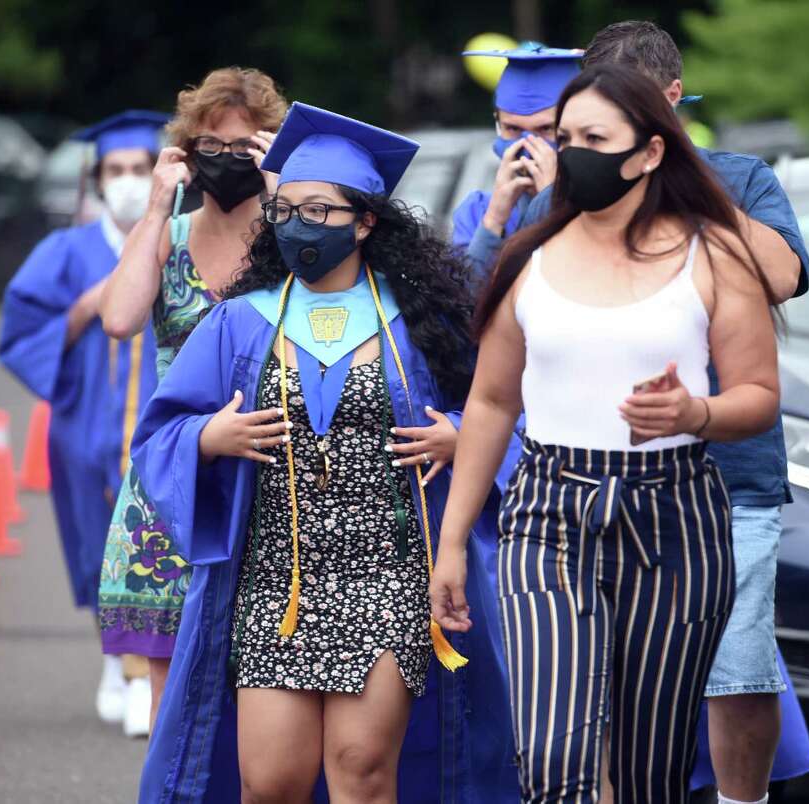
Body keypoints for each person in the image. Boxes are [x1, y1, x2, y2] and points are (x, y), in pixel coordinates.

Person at [131, 102, 519, 803]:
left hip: (389, 579)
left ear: (365, 221)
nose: (295, 227)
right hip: (276, 583)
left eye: (317, 211)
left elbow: (503, 408)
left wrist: (462, 435)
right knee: (270, 782)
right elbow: (160, 433)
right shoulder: (239, 323)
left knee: (363, 776)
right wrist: (208, 438)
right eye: (282, 211)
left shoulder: (422, 321)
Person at [431, 63, 784, 803]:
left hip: (677, 518)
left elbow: (758, 395)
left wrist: (696, 414)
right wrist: (453, 542)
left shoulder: (713, 253)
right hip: (548, 513)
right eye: (566, 138)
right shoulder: (527, 261)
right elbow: (492, 404)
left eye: (595, 137)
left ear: (650, 152)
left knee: (648, 770)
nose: (572, 152)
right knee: (554, 754)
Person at [517, 22, 809, 803]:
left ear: (672, 104)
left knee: (736, 668)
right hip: (573, 486)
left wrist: (686, 182)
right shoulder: (567, 198)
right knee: (593, 688)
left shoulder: (741, 180)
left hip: (727, 480)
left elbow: (782, 276)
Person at [95, 67, 288, 737]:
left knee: (262, 689)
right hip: (173, 476)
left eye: (247, 148)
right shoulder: (168, 235)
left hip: (268, 472)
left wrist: (281, 191)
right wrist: (155, 206)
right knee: (171, 691)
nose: (229, 162)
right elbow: (119, 318)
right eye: (213, 148)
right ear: (185, 153)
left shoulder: (295, 236)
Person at [0, 110, 165, 723]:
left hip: (155, 427)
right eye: (115, 170)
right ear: (96, 180)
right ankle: (113, 658)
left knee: (156, 546)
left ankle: (146, 667)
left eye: (138, 168)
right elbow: (21, 334)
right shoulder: (66, 251)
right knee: (97, 546)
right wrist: (86, 306)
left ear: (158, 175)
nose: (126, 180)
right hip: (84, 427)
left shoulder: (180, 240)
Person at [452, 42, 580, 271]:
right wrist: (493, 221)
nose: (527, 146)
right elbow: (462, 300)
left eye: (545, 129)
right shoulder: (476, 211)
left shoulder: (596, 209)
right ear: (497, 123)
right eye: (512, 129)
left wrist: (551, 203)